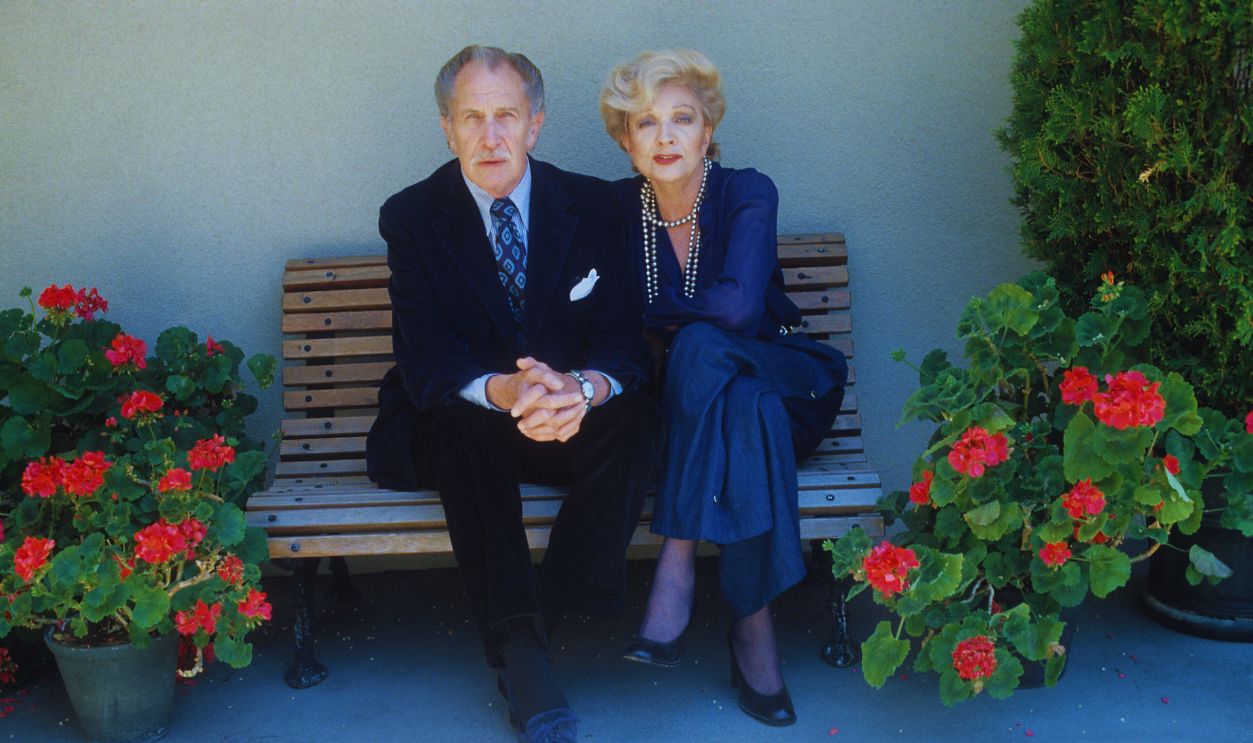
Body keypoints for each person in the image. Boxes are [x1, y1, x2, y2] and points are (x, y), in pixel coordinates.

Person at [366, 45, 661, 743]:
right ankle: (525, 658)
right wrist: (504, 388)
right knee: (461, 430)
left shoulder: (592, 205)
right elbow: (427, 361)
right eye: (472, 118)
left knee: (641, 418)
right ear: (446, 127)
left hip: (564, 414)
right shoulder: (411, 216)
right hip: (465, 416)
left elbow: (625, 346)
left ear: (535, 124)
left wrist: (579, 390)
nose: (490, 136)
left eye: (506, 116)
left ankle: (537, 615)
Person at [599, 49, 848, 727]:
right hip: (724, 411)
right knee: (739, 405)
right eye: (646, 124)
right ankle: (753, 629)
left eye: (683, 118)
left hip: (785, 382)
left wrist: (659, 323)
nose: (667, 136)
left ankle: (675, 561)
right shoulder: (614, 211)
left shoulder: (746, 191)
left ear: (708, 130)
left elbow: (740, 314)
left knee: (708, 345)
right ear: (627, 143)